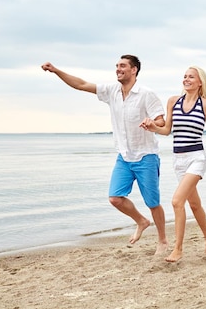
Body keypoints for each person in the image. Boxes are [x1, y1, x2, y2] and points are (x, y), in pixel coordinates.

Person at [41, 55, 169, 255]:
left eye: (123, 66)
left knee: (153, 203)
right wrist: (56, 71)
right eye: (117, 66)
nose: (118, 69)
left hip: (146, 156)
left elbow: (161, 122)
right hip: (124, 156)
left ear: (134, 70)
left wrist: (152, 124)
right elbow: (81, 84)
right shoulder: (111, 91)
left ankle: (162, 240)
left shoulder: (146, 94)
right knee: (115, 198)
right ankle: (141, 221)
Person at [142, 66, 206, 263]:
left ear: (200, 82)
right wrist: (153, 127)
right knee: (194, 204)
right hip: (178, 160)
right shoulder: (173, 101)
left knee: (177, 201)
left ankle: (177, 248)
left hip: (197, 157)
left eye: (191, 77)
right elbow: (167, 130)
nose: (186, 79)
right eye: (185, 76)